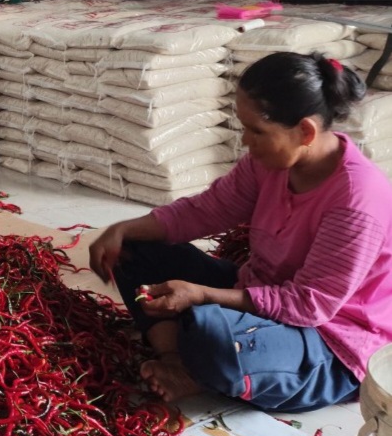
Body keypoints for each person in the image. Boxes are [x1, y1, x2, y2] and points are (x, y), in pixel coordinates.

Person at [89, 51, 392, 412]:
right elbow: (207, 209)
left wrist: (202, 295)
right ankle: (176, 362)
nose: (246, 142)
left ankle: (200, 362)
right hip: (261, 293)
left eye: (257, 131)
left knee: (215, 336)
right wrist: (124, 229)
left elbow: (308, 305)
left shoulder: (357, 200)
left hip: (330, 340)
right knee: (136, 249)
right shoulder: (270, 163)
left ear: (305, 131)